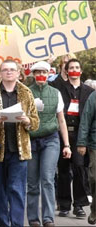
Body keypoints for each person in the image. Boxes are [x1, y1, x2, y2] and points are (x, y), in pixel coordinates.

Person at [0, 59, 39, 226]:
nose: (9, 72)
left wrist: (27, 120)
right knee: (1, 191)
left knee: (17, 190)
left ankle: (17, 224)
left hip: (19, 151)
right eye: (5, 70)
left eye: (12, 69)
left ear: (18, 73)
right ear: (0, 73)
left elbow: (36, 122)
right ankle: (3, 223)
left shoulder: (26, 93)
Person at [27, 61, 71, 227]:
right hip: (31, 139)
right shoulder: (26, 93)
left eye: (44, 72)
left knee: (47, 178)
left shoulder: (55, 93)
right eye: (37, 72)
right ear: (33, 74)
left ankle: (48, 218)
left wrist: (66, 145)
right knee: (32, 182)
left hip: (51, 139)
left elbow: (61, 120)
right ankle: (33, 218)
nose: (41, 75)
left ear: (48, 73)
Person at [56, 58, 94, 218]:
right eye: (71, 67)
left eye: (77, 67)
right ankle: (64, 204)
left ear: (81, 70)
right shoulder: (59, 88)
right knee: (63, 169)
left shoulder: (88, 91)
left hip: (80, 133)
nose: (74, 69)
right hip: (63, 133)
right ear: (66, 70)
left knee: (80, 168)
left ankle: (79, 204)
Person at [77, 90, 96, 225]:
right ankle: (95, 208)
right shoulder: (94, 96)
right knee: (94, 178)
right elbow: (86, 118)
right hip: (95, 144)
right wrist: (82, 142)